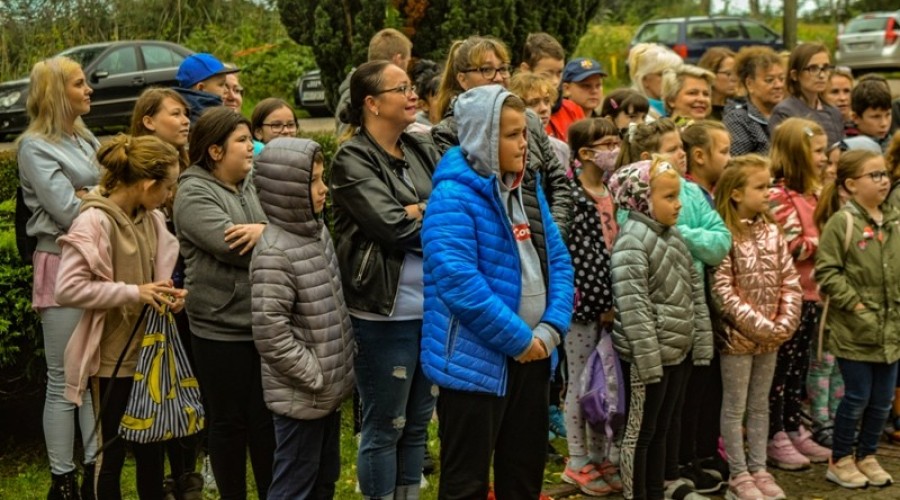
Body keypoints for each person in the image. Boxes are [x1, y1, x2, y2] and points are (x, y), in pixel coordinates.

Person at [420, 84, 573, 499]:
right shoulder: (452, 197)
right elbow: (459, 284)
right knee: (466, 483)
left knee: (523, 472)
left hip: (535, 356)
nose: (524, 144)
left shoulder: (527, 188)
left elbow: (557, 261)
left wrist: (550, 331)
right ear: (481, 136)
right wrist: (520, 339)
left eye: (524, 133)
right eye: (511, 134)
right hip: (476, 366)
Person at [331, 60, 440, 500]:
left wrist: (420, 209)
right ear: (372, 104)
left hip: (429, 308)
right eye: (402, 88)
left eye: (412, 86)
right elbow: (394, 228)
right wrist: (420, 211)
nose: (413, 94)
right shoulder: (351, 158)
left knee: (416, 425)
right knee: (384, 425)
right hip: (381, 312)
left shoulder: (418, 148)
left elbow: (448, 206)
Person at [57, 134, 184, 500]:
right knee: (109, 453)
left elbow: (155, 278)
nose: (170, 195)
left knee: (151, 449)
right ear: (147, 184)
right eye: (168, 187)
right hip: (111, 360)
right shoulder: (94, 222)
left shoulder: (152, 218)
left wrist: (168, 296)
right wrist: (134, 292)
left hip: (150, 355)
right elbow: (67, 289)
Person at [172, 107, 274, 500]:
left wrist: (265, 230)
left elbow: (291, 228)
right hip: (218, 329)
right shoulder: (193, 192)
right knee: (229, 423)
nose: (252, 147)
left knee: (264, 420)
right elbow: (232, 245)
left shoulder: (251, 183)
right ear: (215, 151)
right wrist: (275, 236)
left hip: (262, 323)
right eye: (243, 140)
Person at [250, 137, 355, 500]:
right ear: (285, 189)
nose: (323, 189)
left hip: (324, 391)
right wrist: (314, 374)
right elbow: (270, 333)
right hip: (302, 395)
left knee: (324, 478)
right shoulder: (275, 252)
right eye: (313, 181)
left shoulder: (317, 232)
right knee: (295, 483)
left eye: (322, 178)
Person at [16, 55, 100, 500]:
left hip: (96, 264)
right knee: (64, 378)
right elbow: (68, 211)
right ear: (55, 93)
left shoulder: (84, 139)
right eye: (80, 84)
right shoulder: (34, 146)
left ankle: (93, 471)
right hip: (62, 264)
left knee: (92, 376)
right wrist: (95, 199)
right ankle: (62, 479)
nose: (89, 91)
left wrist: (93, 195)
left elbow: (104, 196)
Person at [609, 157, 713, 500]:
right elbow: (634, 308)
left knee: (663, 429)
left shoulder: (675, 238)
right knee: (641, 433)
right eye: (669, 197)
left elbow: (694, 293)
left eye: (677, 195)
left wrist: (699, 345)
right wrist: (649, 363)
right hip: (649, 361)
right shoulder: (632, 242)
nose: (678, 204)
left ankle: (656, 491)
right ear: (640, 199)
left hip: (677, 352)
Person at [711, 154, 803, 500]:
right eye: (761, 187)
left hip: (772, 337)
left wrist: (785, 322)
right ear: (735, 193)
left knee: (761, 404)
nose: (769, 192)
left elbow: (790, 281)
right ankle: (739, 475)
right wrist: (764, 327)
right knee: (735, 407)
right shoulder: (723, 234)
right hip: (738, 340)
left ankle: (760, 468)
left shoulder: (772, 232)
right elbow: (723, 291)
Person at [129, 87, 203, 499]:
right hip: (151, 298)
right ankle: (156, 480)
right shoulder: (133, 175)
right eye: (175, 113)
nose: (185, 120)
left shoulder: (189, 167)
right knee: (154, 390)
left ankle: (187, 476)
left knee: (185, 384)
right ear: (148, 121)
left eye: (186, 113)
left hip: (185, 295)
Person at [815, 149, 900, 489]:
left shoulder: (894, 220)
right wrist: (856, 306)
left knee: (881, 400)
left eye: (884, 174)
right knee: (857, 397)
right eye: (874, 175)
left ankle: (867, 454)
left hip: (891, 328)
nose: (884, 181)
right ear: (851, 184)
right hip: (854, 329)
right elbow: (828, 271)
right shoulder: (843, 222)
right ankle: (841, 458)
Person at [432, 35, 573, 240]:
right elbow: (464, 200)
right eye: (486, 70)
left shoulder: (530, 120)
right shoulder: (448, 132)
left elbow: (559, 184)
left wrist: (552, 238)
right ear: (462, 79)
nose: (498, 78)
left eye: (503, 68)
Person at [560, 117, 623, 496]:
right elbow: (584, 259)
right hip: (584, 310)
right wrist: (601, 303)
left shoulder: (612, 191)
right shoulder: (575, 197)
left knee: (605, 384)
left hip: (612, 308)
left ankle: (601, 455)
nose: (614, 150)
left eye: (617, 142)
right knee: (579, 384)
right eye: (607, 143)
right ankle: (578, 459)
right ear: (585, 153)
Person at [766, 117, 833, 470]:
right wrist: (831, 243)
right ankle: (773, 432)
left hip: (816, 296)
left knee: (798, 370)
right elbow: (792, 246)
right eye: (818, 151)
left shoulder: (817, 192)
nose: (824, 157)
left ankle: (794, 426)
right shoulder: (778, 195)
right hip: (791, 298)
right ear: (797, 154)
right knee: (781, 370)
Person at [676, 120, 733, 492]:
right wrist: (695, 236)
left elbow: (721, 241)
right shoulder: (682, 193)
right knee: (684, 395)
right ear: (700, 155)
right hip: (683, 308)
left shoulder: (701, 197)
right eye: (725, 151)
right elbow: (672, 235)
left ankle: (700, 455)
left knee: (706, 388)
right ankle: (677, 465)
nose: (731, 158)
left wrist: (697, 238)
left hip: (705, 309)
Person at [335, 28, 413, 136]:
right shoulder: (355, 94)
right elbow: (346, 139)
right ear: (398, 59)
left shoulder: (357, 90)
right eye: (408, 61)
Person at [769, 43, 844, 147]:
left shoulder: (834, 112)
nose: (821, 75)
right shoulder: (784, 112)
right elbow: (782, 156)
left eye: (826, 68)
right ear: (795, 75)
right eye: (813, 69)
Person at [724, 46, 785, 156]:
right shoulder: (738, 120)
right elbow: (738, 166)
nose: (779, 85)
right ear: (750, 84)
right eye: (769, 80)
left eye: (781, 79)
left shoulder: (789, 113)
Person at [517, 33, 579, 141]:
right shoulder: (513, 114)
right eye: (546, 75)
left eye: (559, 73)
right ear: (525, 70)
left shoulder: (572, 110)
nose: (555, 82)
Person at [508, 72, 569, 168]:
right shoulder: (510, 148)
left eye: (547, 101)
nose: (544, 108)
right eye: (534, 103)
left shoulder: (561, 149)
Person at [174, 53, 240, 123]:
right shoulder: (207, 121)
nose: (226, 90)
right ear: (201, 88)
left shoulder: (178, 114)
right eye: (221, 85)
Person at [627, 43, 684, 119]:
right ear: (644, 80)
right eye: (662, 74)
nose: (671, 78)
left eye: (676, 73)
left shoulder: (679, 108)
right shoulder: (637, 114)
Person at [842, 79, 893, 153]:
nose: (884, 123)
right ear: (855, 117)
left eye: (888, 115)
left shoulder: (894, 147)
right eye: (876, 117)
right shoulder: (844, 148)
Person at [698, 47, 738, 121]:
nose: (735, 78)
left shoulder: (739, 107)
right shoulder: (697, 106)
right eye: (728, 73)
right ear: (711, 74)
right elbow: (677, 120)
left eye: (737, 73)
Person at [824, 67, 855, 137]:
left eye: (847, 91)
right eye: (835, 92)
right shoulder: (818, 128)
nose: (842, 98)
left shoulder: (862, 125)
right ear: (822, 96)